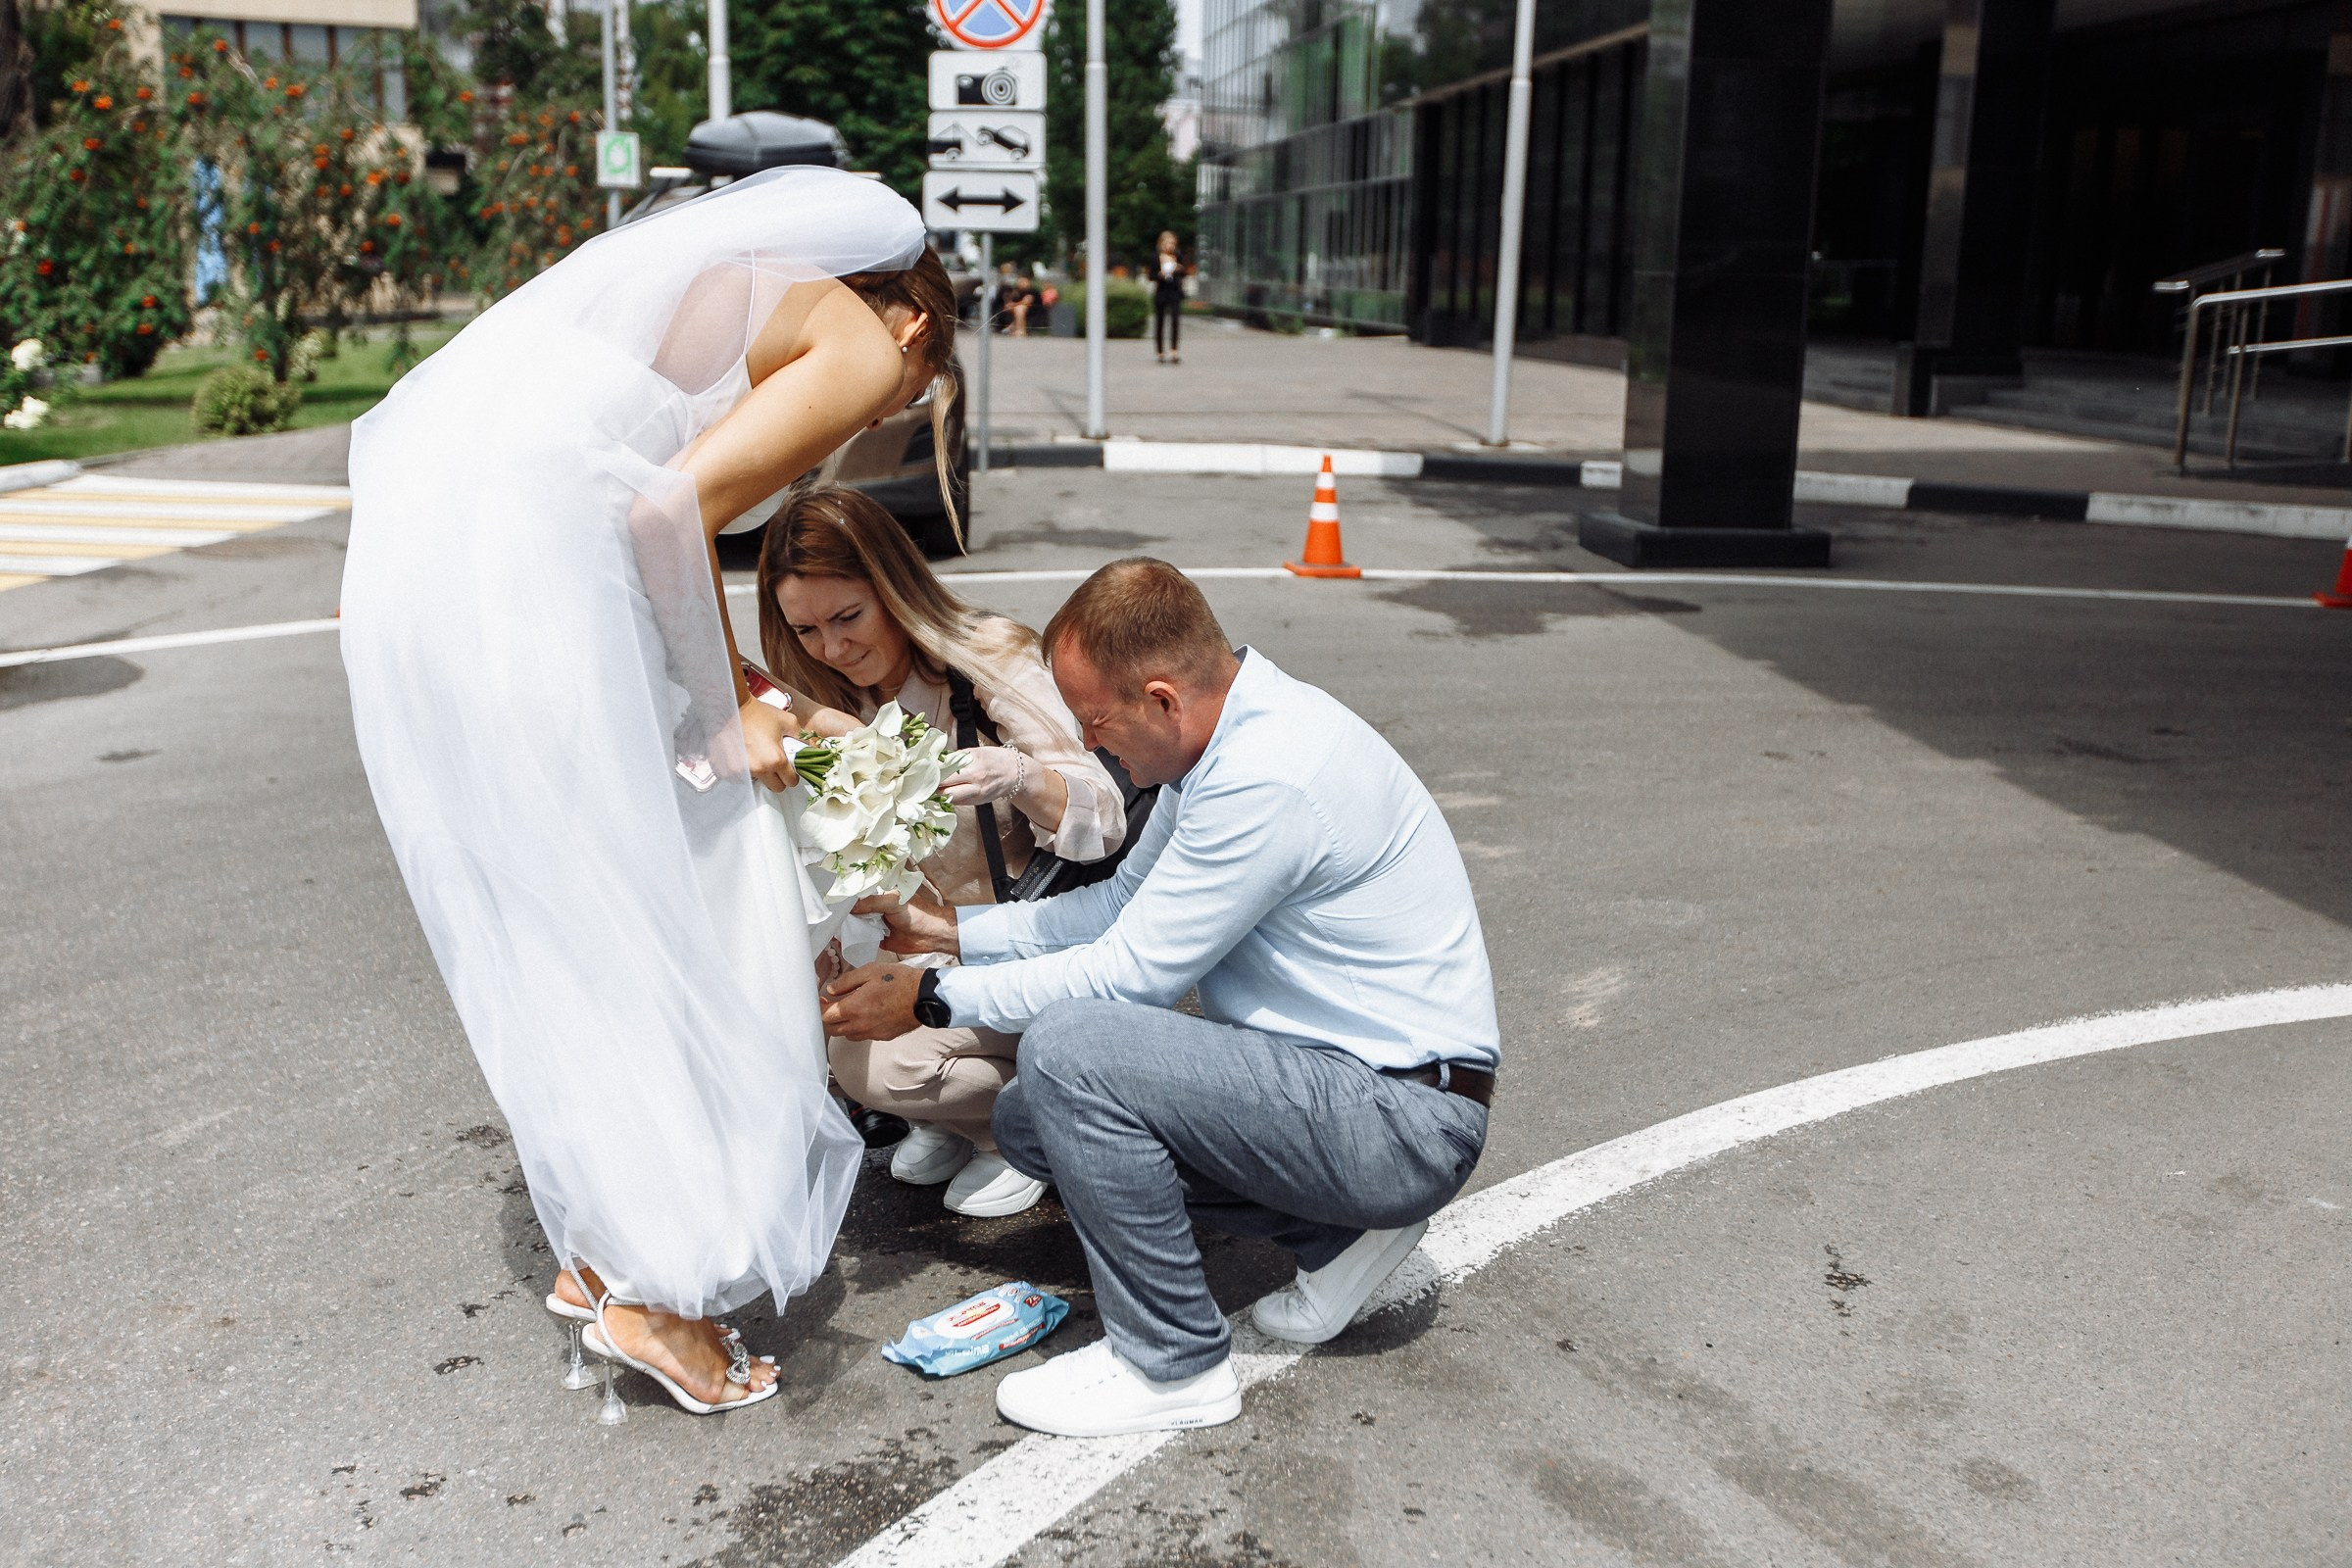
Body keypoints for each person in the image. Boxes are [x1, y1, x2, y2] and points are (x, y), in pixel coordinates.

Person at [340, 167, 960, 1415]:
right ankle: (654, 1291)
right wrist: (733, 708)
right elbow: (663, 511)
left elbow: (641, 512)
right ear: (913, 327)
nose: (877, 411)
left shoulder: (696, 291)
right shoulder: (849, 331)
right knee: (692, 890)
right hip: (535, 581)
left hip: (433, 574)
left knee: (580, 904)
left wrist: (716, 673)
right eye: (913, 392)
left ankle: (609, 1246)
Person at [821, 559, 1499, 1439]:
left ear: (1162, 699)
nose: (1097, 750)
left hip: (1402, 1117)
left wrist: (930, 998)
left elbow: (1128, 977)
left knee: (1073, 1047)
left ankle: (1172, 1362)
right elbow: (1116, 906)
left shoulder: (1268, 775)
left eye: (1098, 724)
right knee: (1033, 1120)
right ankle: (1338, 1238)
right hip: (1353, 1091)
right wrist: (949, 933)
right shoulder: (1220, 744)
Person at [754, 484, 1125, 1217]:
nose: (833, 647)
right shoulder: (826, 695)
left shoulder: (986, 656)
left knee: (871, 1061)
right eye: (806, 630)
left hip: (1030, 943)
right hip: (917, 940)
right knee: (837, 1025)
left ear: (892, 588)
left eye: (849, 617)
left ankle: (1013, 1130)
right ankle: (947, 1113)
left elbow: (1103, 816)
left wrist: (1018, 776)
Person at [1152, 232, 1186, 364]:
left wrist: (1179, 268)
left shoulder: (1178, 256)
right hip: (1161, 292)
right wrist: (1161, 274)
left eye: (1172, 243)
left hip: (1174, 292)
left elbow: (1184, 273)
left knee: (1175, 321)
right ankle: (1160, 352)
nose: (1170, 245)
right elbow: (1151, 276)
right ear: (1161, 244)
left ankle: (1174, 351)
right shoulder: (1155, 257)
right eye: (1167, 243)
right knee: (1160, 322)